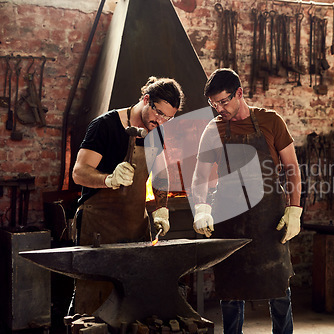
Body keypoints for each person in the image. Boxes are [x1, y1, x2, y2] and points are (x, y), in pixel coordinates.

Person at [191, 68, 302, 334]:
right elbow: (199, 178)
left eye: (223, 101)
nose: (219, 109)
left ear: (239, 93)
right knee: (230, 293)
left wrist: (295, 209)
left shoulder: (271, 122)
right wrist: (202, 209)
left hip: (269, 221)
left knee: (279, 290)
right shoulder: (213, 130)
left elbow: (292, 169)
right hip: (230, 221)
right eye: (213, 104)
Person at [71, 76, 184, 314]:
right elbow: (79, 173)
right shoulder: (105, 126)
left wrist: (161, 209)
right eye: (159, 113)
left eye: (168, 118)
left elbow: (160, 174)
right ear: (146, 100)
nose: (161, 121)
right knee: (93, 301)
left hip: (135, 227)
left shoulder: (158, 131)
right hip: (99, 227)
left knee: (133, 304)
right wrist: (108, 179)